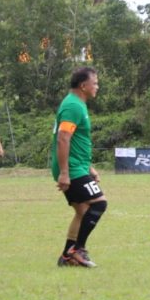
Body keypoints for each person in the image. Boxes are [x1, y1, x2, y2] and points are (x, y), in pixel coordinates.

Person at [51, 67, 106, 268]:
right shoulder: (73, 106)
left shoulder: (76, 104)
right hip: (72, 169)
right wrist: (65, 172)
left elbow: (74, 141)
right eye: (95, 82)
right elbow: (63, 138)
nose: (97, 86)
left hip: (77, 166)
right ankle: (77, 250)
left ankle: (67, 256)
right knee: (99, 203)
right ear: (84, 86)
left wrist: (88, 167)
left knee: (83, 212)